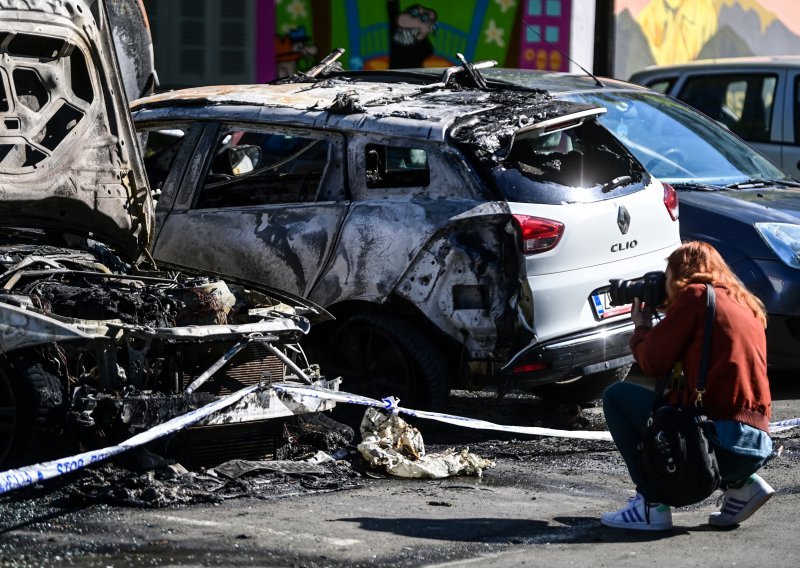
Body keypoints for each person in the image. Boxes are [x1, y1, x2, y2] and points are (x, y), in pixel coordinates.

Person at [601, 241, 774, 531]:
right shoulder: (745, 303)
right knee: (677, 406)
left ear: (680, 275)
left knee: (617, 396)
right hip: (755, 445)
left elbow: (653, 363)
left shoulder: (695, 296)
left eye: (667, 277)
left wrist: (642, 327)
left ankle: (651, 505)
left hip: (721, 442)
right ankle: (744, 485)